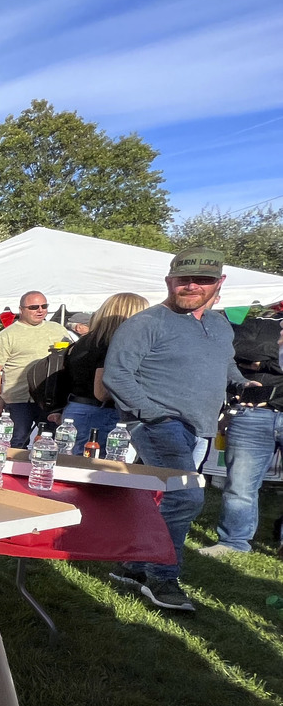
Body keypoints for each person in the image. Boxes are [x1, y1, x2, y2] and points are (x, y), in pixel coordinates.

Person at [103, 249, 252, 611]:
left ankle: (135, 567)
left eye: (202, 280)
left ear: (219, 283)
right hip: (159, 423)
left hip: (201, 425)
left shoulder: (218, 325)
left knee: (167, 497)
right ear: (169, 281)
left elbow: (224, 364)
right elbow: (116, 375)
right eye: (183, 279)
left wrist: (243, 385)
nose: (191, 286)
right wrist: (154, 415)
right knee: (185, 496)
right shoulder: (146, 323)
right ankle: (162, 578)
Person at [204, 300, 283, 556]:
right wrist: (275, 355)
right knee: (240, 484)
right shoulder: (260, 321)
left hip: (261, 410)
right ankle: (233, 543)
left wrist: (263, 362)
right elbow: (236, 348)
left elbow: (254, 356)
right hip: (254, 413)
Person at [58, 293, 149, 451]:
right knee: (95, 467)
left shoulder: (85, 341)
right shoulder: (110, 344)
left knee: (74, 466)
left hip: (77, 409)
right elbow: (102, 391)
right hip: (100, 413)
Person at [0, 290, 72, 447]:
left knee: (49, 444)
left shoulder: (58, 330)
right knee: (16, 442)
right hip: (18, 399)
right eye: (34, 307)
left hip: (51, 400)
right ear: (21, 310)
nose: (40, 310)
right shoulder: (7, 335)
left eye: (44, 306)